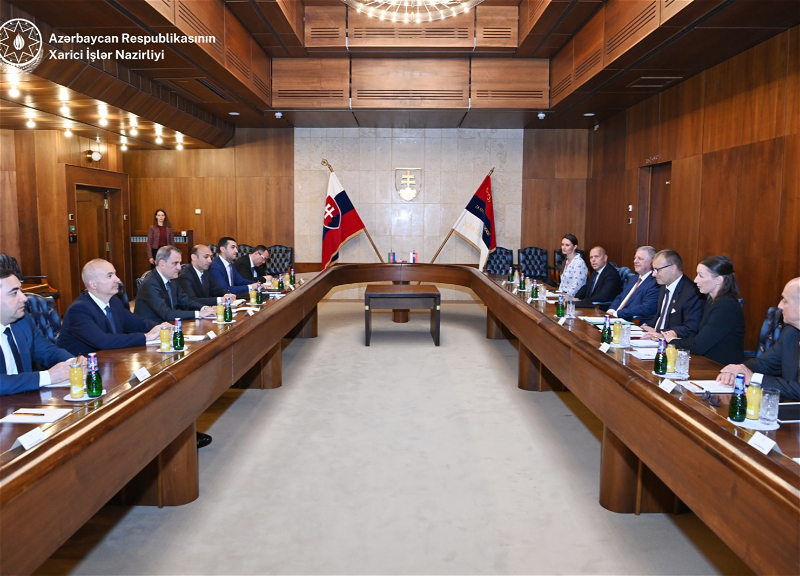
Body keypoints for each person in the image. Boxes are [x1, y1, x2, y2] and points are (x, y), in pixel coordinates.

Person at [58, 259, 172, 356]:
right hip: (84, 369)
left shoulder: (114, 302)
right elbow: (103, 341)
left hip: (112, 359)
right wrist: (145, 337)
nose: (117, 279)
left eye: (115, 274)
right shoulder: (78, 310)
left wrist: (160, 328)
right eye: (109, 276)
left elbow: (138, 323)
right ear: (93, 284)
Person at [0, 269, 86, 395]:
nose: (24, 298)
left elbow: (47, 351)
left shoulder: (22, 321)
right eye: (14, 293)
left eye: (21, 290)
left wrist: (72, 363)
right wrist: (47, 377)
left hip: (24, 401)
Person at [717, 278, 800, 400]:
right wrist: (738, 370)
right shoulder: (790, 332)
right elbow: (764, 363)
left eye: (785, 301)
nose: (779, 306)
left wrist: (754, 378)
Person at [660, 256, 745, 365]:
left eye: (701, 276)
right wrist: (673, 337)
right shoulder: (712, 301)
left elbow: (699, 346)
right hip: (707, 362)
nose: (695, 280)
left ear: (718, 280)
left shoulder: (726, 306)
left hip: (721, 367)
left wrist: (673, 341)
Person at [134, 246, 217, 322]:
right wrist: (199, 314)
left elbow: (186, 301)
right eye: (175, 263)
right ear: (162, 264)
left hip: (171, 325)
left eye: (180, 263)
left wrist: (205, 308)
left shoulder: (173, 279)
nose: (179, 268)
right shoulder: (150, 284)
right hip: (152, 329)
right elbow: (167, 314)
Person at [643, 249, 704, 339]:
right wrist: (647, 326)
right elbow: (661, 317)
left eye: (657, 270)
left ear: (673, 268)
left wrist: (660, 333)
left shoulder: (692, 293)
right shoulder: (664, 286)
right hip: (655, 338)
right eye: (653, 270)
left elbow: (690, 329)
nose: (653, 274)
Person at [607, 246, 660, 321]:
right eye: (635, 258)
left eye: (640, 258)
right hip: (616, 319)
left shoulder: (655, 282)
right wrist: (612, 310)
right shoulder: (634, 278)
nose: (635, 261)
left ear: (652, 262)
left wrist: (617, 314)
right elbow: (621, 297)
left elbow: (646, 308)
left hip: (633, 322)